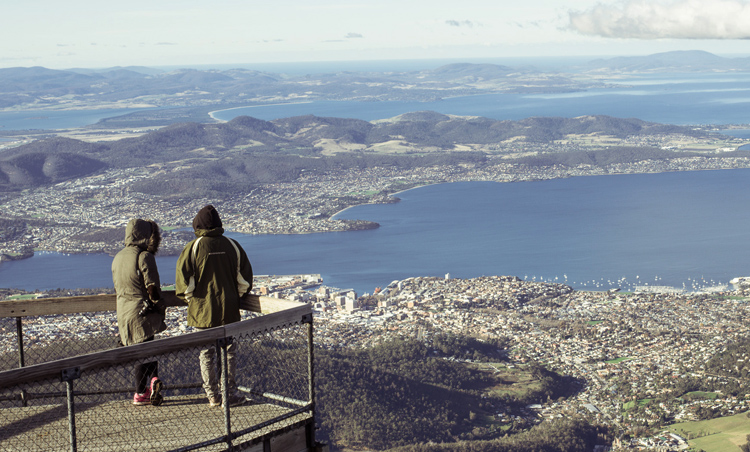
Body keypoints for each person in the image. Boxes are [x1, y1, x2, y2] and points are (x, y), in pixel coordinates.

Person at [175, 205, 253, 408]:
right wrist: (236, 296)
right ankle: (229, 394)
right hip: (229, 308)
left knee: (206, 353)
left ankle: (212, 395)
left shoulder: (194, 247)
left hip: (202, 311)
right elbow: (244, 279)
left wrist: (193, 300)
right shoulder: (232, 245)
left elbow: (184, 283)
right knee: (229, 352)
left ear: (197, 224)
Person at [111, 218, 167, 406]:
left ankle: (146, 388)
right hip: (142, 312)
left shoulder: (117, 257)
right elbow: (152, 288)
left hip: (123, 313)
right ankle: (144, 390)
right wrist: (159, 307)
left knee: (139, 352)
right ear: (145, 235)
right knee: (148, 349)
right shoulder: (143, 256)